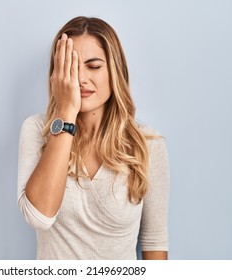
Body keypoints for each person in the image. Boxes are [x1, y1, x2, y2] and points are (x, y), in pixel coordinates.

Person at [17, 16, 169, 260]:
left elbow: (155, 241)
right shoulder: (37, 130)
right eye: (70, 68)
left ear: (114, 71)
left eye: (94, 66)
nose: (80, 79)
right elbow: (39, 216)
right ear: (57, 75)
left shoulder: (148, 144)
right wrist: (66, 113)